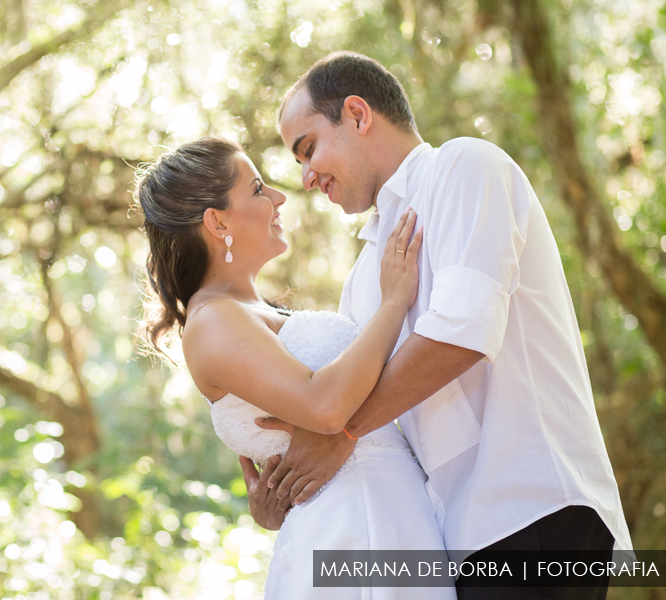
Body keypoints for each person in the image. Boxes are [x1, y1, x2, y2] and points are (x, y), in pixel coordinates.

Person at [248, 51, 632, 599]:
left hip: (536, 510)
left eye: (308, 149)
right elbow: (378, 421)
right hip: (454, 542)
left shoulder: (466, 167)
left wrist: (342, 432)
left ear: (358, 114)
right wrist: (287, 491)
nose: (306, 178)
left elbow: (463, 332)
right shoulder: (361, 280)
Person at [136, 137, 456, 599]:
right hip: (354, 531)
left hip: (395, 516)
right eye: (259, 189)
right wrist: (393, 303)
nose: (280, 198)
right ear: (217, 220)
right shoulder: (211, 321)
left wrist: (272, 505)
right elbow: (325, 407)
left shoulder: (246, 312)